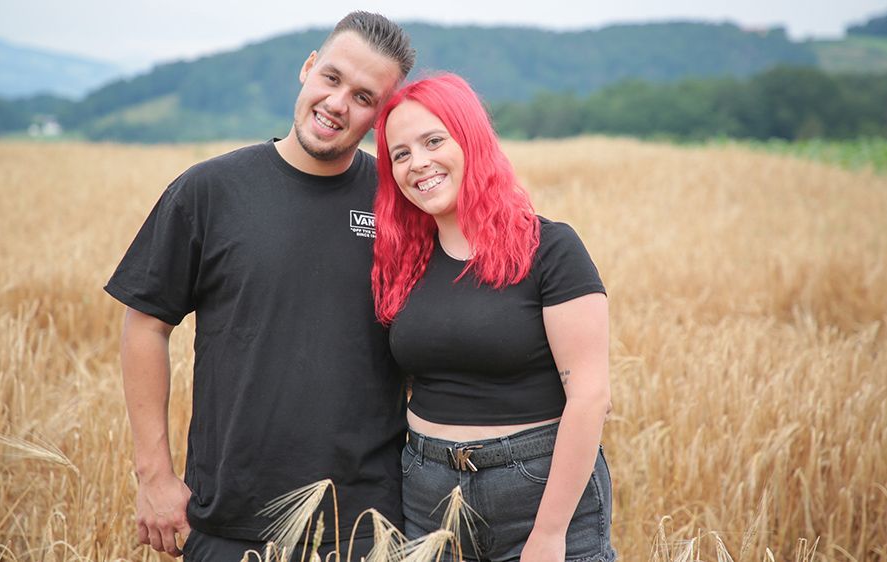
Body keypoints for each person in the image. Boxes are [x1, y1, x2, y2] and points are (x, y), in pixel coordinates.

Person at [105, 12, 414, 561]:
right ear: (308, 68)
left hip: (368, 528)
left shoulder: (399, 205)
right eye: (333, 78)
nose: (339, 103)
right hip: (229, 522)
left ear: (382, 115)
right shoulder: (209, 191)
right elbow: (146, 323)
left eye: (365, 97)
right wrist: (154, 476)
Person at [372, 74, 616, 562]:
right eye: (400, 154)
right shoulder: (403, 261)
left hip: (535, 491)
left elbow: (590, 396)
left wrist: (549, 534)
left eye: (433, 141)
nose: (418, 163)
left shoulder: (550, 249)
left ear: (471, 140)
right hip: (427, 492)